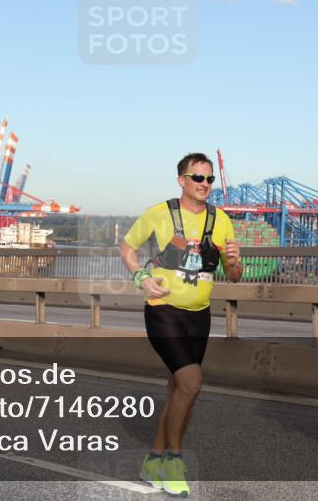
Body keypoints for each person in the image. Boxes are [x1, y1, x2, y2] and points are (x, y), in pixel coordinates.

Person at [119, 152, 243, 497]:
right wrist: (141, 276)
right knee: (191, 383)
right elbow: (127, 247)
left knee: (180, 391)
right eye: (197, 178)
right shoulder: (159, 213)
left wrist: (233, 262)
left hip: (199, 313)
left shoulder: (221, 221)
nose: (204, 185)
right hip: (163, 310)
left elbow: (233, 277)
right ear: (182, 180)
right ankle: (174, 460)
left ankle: (153, 459)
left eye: (209, 179)